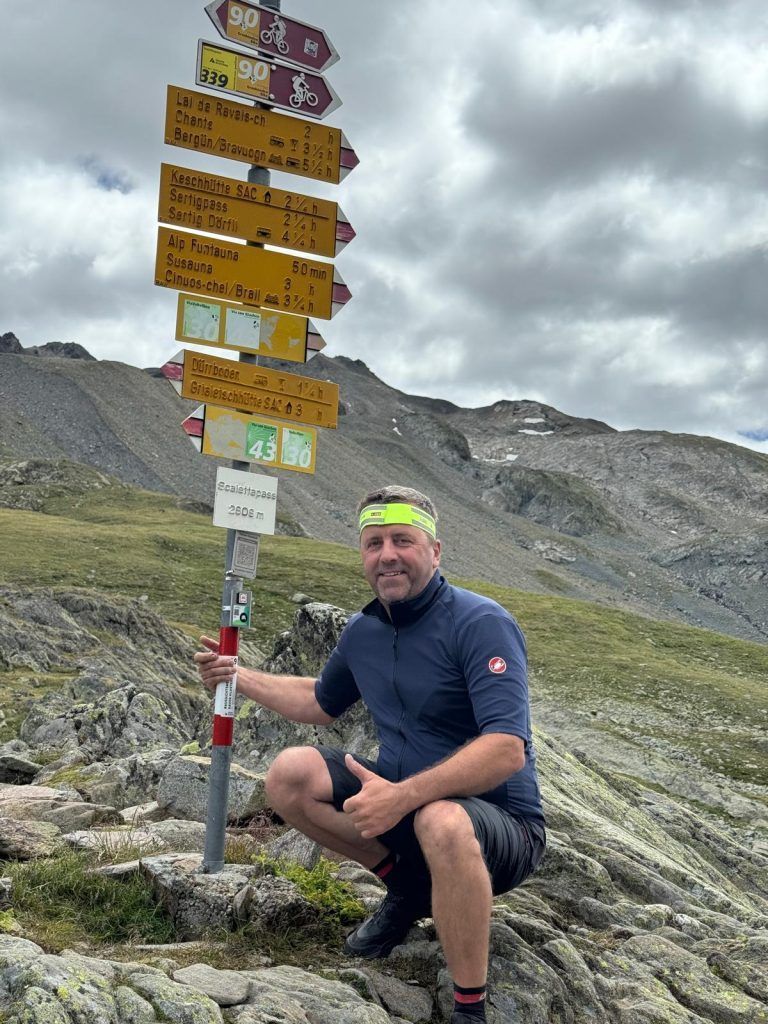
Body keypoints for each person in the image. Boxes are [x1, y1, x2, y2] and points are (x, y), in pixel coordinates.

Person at [196, 486, 546, 1024]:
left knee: (441, 819)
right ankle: (407, 887)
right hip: (406, 807)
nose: (387, 554)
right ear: (362, 555)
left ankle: (469, 1008)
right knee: (290, 774)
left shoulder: (481, 623)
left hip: (500, 827)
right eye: (374, 542)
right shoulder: (364, 630)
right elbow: (318, 701)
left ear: (435, 550)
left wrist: (402, 796)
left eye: (403, 540)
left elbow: (506, 750)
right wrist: (238, 677)